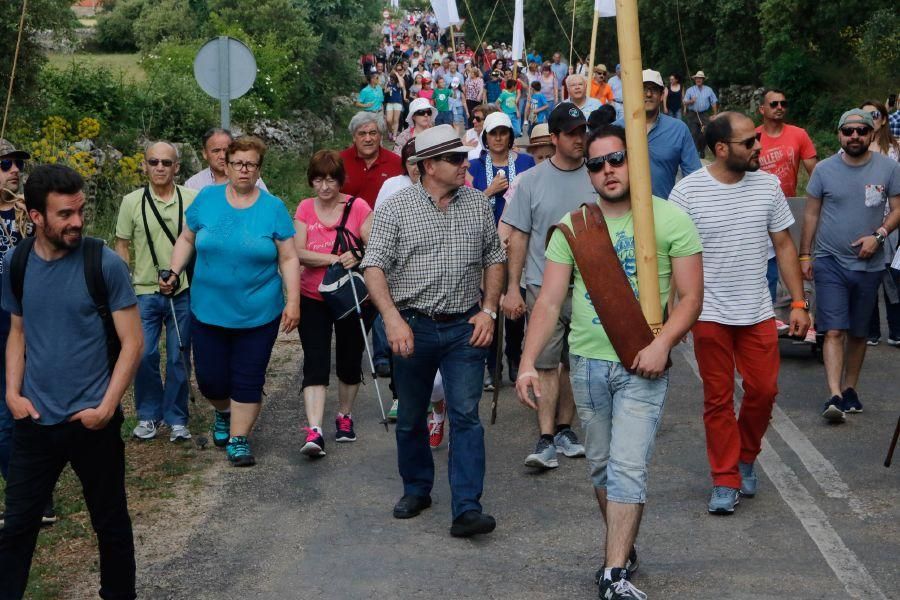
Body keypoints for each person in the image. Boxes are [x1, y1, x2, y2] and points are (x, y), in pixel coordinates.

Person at [518, 124, 704, 600]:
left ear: (633, 162)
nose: (607, 171)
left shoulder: (669, 219)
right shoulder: (575, 226)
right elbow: (547, 302)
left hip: (643, 363)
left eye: (616, 160)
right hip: (585, 365)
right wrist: (525, 362)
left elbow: (691, 299)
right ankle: (623, 547)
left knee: (626, 468)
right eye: (596, 165)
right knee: (600, 468)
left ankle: (613, 573)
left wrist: (663, 346)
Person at [0, 164, 143, 600]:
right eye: (65, 214)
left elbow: (133, 342)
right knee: (17, 527)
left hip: (92, 423)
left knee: (111, 522)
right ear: (37, 217)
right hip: (34, 422)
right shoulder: (16, 261)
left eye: (80, 211)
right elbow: (18, 333)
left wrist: (106, 408)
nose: (77, 222)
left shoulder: (105, 263)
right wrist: (11, 394)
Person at [361, 125, 505, 538]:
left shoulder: (478, 204)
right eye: (455, 159)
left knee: (466, 417)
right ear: (428, 166)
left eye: (463, 157)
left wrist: (489, 310)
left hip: (465, 327)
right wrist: (391, 317)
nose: (465, 164)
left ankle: (467, 508)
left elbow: (494, 256)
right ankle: (417, 489)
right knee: (409, 417)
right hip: (413, 324)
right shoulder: (396, 208)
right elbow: (374, 266)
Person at [669, 112, 811, 514]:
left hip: (757, 311)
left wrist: (799, 304)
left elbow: (784, 245)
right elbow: (673, 256)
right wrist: (672, 314)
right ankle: (725, 480)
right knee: (717, 400)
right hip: (708, 312)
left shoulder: (768, 187)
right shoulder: (688, 192)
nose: (758, 148)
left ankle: (746, 455)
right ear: (721, 149)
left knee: (764, 391)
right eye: (748, 142)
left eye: (757, 141)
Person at [161, 136, 301, 466]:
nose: (243, 170)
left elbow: (289, 258)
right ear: (227, 164)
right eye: (237, 163)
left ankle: (239, 438)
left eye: (251, 164)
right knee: (211, 379)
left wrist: (293, 300)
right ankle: (223, 412)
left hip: (259, 311)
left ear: (258, 169)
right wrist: (173, 270)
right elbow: (186, 237)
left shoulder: (273, 208)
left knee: (248, 377)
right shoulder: (207, 199)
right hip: (208, 309)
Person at [501, 103, 595, 469]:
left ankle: (564, 429)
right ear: (553, 138)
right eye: (571, 133)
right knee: (544, 361)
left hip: (590, 285)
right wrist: (513, 287)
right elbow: (519, 237)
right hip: (542, 286)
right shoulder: (531, 181)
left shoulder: (596, 175)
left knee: (575, 361)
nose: (579, 139)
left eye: (582, 132)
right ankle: (544, 438)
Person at [799, 109, 900, 422]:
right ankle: (834, 394)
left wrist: (879, 236)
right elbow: (812, 213)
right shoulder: (824, 170)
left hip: (870, 265)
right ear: (839, 135)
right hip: (830, 261)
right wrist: (805, 255)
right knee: (833, 330)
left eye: (861, 131)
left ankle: (850, 387)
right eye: (848, 131)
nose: (854, 136)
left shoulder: (888, 168)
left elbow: (897, 208)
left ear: (871, 134)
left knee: (858, 333)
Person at [115, 141, 197, 443]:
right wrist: (123, 285)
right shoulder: (131, 201)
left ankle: (177, 418)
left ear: (177, 166)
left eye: (166, 162)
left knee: (178, 355)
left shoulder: (192, 199)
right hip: (144, 291)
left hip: (183, 290)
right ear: (144, 165)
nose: (160, 167)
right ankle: (148, 415)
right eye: (153, 162)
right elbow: (122, 244)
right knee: (144, 353)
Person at [294, 151, 374, 457]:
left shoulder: (358, 207)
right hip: (312, 295)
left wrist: (359, 254)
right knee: (314, 360)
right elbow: (298, 252)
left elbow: (374, 242)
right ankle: (314, 430)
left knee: (349, 358)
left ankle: (345, 415)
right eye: (318, 179)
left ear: (340, 180)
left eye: (330, 179)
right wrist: (333, 259)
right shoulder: (304, 208)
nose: (324, 186)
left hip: (350, 295)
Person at [467, 112, 535, 389]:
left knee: (515, 301)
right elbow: (464, 205)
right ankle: (491, 364)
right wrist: (490, 191)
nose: (498, 138)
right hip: (482, 244)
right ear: (485, 136)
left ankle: (515, 356)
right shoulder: (472, 166)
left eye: (503, 132)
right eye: (493, 133)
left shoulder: (526, 163)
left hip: (518, 243)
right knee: (489, 302)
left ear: (510, 135)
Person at [0, 140, 47, 527]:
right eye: (4, 164)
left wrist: (32, 224)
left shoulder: (28, 215)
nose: (13, 170)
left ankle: (35, 497)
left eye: (16, 163)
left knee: (28, 408)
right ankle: (25, 495)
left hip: (29, 322)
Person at [756, 88, 818, 317]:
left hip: (789, 204)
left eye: (783, 103)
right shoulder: (754, 137)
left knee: (790, 257)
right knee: (764, 263)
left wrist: (820, 200)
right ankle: (766, 312)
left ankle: (800, 310)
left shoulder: (798, 134)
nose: (779, 107)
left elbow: (816, 172)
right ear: (762, 109)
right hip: (760, 207)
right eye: (773, 104)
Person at [614, 70, 700, 199]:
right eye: (643, 89)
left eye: (654, 89)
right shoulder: (616, 130)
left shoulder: (678, 129)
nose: (648, 94)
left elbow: (694, 176)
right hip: (623, 212)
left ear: (661, 95)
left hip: (666, 210)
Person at [860, 99, 900, 346]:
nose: (869, 119)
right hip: (864, 219)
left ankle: (896, 330)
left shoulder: (895, 148)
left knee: (893, 276)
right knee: (868, 277)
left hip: (894, 219)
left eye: (874, 114)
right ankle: (870, 330)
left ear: (884, 118)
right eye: (863, 115)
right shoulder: (854, 145)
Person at [340, 112, 404, 209]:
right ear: (353, 137)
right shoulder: (339, 161)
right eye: (362, 134)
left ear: (380, 136)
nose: (368, 139)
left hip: (384, 222)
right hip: (345, 221)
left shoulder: (396, 163)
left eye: (373, 133)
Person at [184, 128, 268, 191]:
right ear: (205, 154)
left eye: (226, 150)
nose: (223, 156)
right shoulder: (193, 185)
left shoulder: (249, 178)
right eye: (216, 151)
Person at [683, 70, 718, 158]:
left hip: (704, 114)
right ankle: (695, 152)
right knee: (694, 133)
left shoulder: (709, 90)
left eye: (700, 78)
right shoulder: (690, 90)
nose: (698, 80)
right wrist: (691, 101)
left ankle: (701, 150)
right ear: (695, 79)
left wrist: (715, 114)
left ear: (703, 79)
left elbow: (713, 102)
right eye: (697, 78)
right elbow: (684, 102)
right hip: (693, 114)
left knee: (705, 132)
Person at [385, 70, 407, 140]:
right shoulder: (388, 82)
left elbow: (401, 85)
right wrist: (387, 90)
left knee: (395, 120)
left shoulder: (398, 82)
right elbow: (385, 90)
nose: (392, 77)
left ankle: (394, 136)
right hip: (389, 102)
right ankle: (390, 132)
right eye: (391, 76)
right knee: (388, 120)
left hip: (397, 102)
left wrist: (397, 74)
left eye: (393, 76)